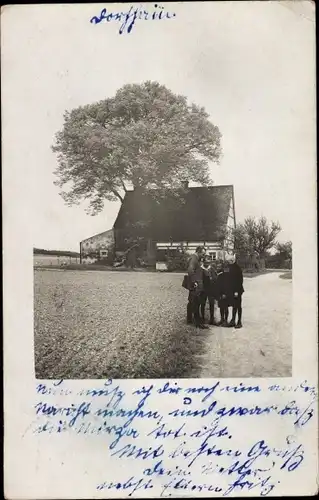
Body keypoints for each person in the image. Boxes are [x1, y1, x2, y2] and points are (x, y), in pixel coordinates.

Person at [187, 246, 208, 329]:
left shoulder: (196, 259)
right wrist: (194, 282)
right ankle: (198, 323)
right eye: (203, 254)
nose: (203, 255)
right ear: (198, 252)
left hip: (196, 283)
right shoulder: (194, 259)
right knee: (196, 302)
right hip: (195, 284)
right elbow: (190, 270)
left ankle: (189, 320)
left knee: (191, 302)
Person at [227, 256, 244, 329]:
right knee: (234, 305)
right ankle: (233, 320)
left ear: (232, 260)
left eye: (229, 261)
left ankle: (239, 322)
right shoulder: (231, 267)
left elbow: (239, 281)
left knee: (238, 306)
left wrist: (236, 291)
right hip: (232, 290)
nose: (228, 262)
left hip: (237, 290)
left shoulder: (237, 268)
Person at [201, 259, 219, 325]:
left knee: (211, 304)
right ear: (203, 262)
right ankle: (202, 319)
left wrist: (212, 279)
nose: (207, 264)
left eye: (208, 262)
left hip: (211, 290)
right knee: (202, 304)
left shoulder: (212, 269)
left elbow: (216, 278)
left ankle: (212, 319)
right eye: (206, 262)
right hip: (203, 290)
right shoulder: (200, 269)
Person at [216, 260, 232, 326]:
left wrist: (225, 294)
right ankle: (222, 319)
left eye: (227, 268)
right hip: (221, 294)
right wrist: (219, 294)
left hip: (226, 294)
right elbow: (219, 285)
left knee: (225, 307)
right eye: (225, 268)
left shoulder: (230, 276)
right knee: (221, 307)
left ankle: (226, 320)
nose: (226, 269)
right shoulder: (220, 276)